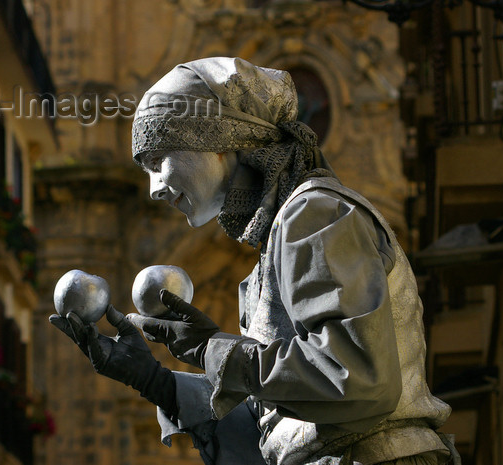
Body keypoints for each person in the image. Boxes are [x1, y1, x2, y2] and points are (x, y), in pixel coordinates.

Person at [50, 57, 460, 465]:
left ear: (218, 140)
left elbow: (355, 381)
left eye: (158, 162)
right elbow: (280, 435)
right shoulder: (273, 247)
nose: (155, 189)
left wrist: (214, 350)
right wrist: (156, 382)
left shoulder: (314, 214)